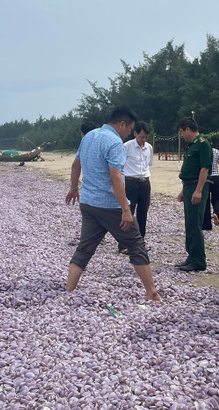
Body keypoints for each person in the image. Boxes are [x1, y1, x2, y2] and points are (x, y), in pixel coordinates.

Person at [64, 106, 160, 301]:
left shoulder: (89, 136)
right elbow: (116, 176)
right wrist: (126, 209)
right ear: (122, 124)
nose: (128, 134)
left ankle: (68, 290)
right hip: (110, 205)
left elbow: (76, 164)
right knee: (136, 244)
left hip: (89, 203)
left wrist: (74, 187)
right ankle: (152, 292)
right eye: (129, 129)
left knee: (85, 247)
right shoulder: (115, 142)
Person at [175, 118, 213, 272]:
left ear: (188, 129)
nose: (182, 135)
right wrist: (184, 190)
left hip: (197, 186)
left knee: (195, 224)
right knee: (190, 223)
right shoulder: (192, 145)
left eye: (182, 132)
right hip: (190, 186)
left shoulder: (203, 144)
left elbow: (204, 169)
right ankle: (192, 256)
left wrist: (198, 190)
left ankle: (198, 261)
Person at [117, 121, 153, 254]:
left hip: (145, 183)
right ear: (135, 133)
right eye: (141, 136)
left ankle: (140, 243)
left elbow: (148, 164)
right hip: (130, 183)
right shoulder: (126, 146)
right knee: (128, 213)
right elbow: (119, 166)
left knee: (143, 214)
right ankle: (123, 245)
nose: (143, 139)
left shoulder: (149, 147)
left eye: (145, 137)